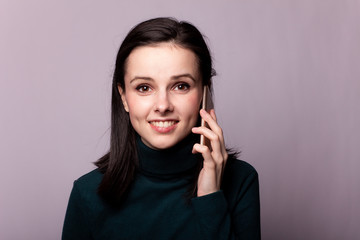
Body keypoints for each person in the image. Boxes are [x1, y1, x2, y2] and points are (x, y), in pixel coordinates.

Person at [62, 17, 260, 240]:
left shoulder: (241, 180)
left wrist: (210, 198)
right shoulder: (87, 192)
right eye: (144, 88)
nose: (163, 105)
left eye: (181, 86)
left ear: (204, 93)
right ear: (124, 97)